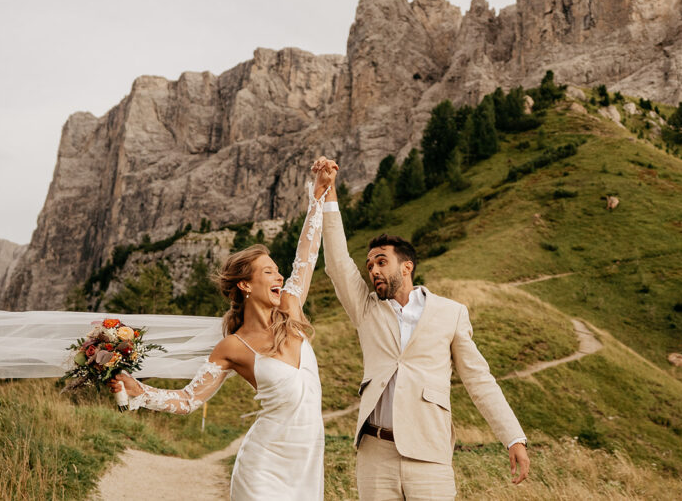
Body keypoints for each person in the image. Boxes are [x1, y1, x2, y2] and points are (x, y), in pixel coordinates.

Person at [109, 160, 332, 500]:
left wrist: (318, 195)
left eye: (278, 272)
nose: (279, 277)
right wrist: (139, 390)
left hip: (307, 465)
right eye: (269, 272)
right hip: (263, 467)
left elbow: (307, 254)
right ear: (245, 284)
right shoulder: (233, 347)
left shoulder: (291, 308)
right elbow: (187, 400)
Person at [313, 156, 530, 500]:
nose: (374, 271)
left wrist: (513, 437)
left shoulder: (451, 313)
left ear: (407, 266)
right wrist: (329, 194)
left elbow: (478, 379)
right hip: (375, 453)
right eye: (370, 265)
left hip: (430, 455)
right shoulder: (367, 309)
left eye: (382, 262)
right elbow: (338, 263)